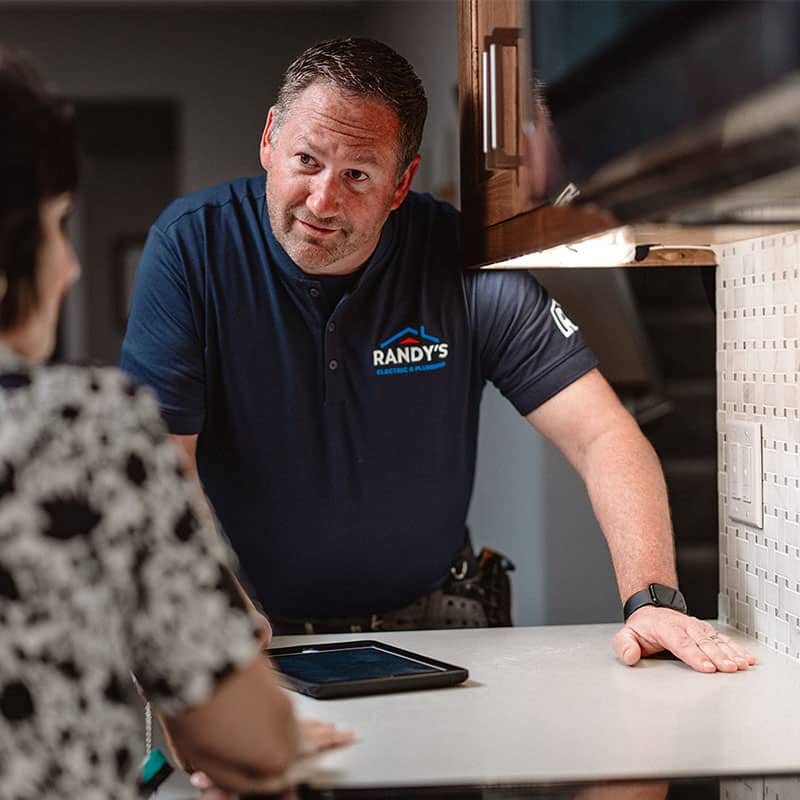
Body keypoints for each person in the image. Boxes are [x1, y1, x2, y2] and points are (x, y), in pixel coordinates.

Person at [121, 37, 754, 674]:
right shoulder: (191, 247)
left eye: (358, 176)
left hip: (429, 630)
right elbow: (161, 462)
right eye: (306, 161)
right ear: (269, 141)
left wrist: (653, 598)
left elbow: (602, 433)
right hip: (255, 635)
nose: (322, 200)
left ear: (401, 184)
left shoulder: (461, 262)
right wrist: (210, 603)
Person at [0, 48, 351, 800]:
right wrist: (266, 740)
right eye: (57, 226)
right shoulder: (85, 432)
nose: (69, 267)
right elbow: (243, 743)